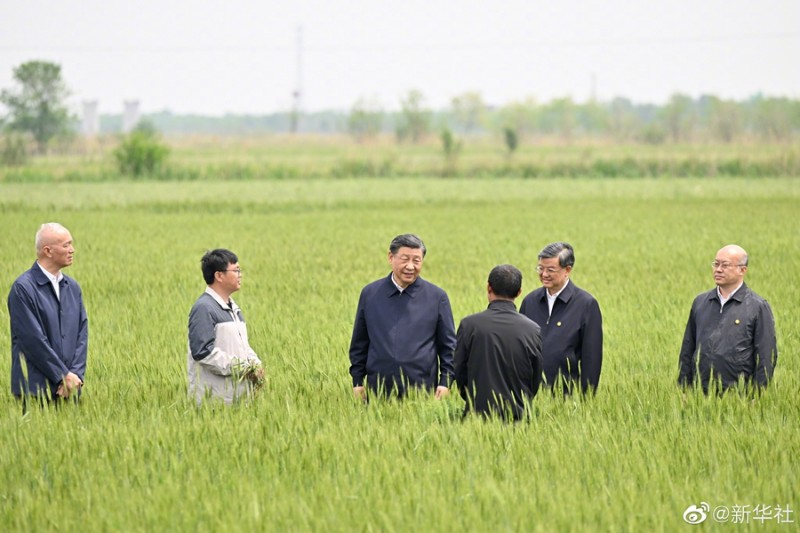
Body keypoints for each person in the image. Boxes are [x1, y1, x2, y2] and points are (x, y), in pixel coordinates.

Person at [349, 234, 456, 399]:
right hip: (378, 390)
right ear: (390, 257)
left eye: (417, 261)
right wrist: (357, 381)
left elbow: (448, 346)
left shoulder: (436, 297)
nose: (410, 266)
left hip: (422, 392)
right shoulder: (370, 294)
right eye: (405, 259)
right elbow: (359, 342)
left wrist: (445, 382)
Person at [678, 244, 777, 394]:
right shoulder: (701, 302)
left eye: (725, 265)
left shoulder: (757, 307)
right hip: (700, 394)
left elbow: (766, 357)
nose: (718, 269)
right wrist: (684, 389)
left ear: (742, 270)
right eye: (716, 264)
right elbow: (687, 348)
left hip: (738, 395)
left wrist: (757, 396)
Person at [8, 223, 88, 406]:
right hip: (34, 391)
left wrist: (74, 377)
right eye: (66, 245)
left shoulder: (72, 288)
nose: (72, 250)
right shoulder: (23, 288)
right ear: (48, 251)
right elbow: (32, 340)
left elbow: (81, 335)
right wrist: (62, 376)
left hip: (70, 389)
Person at [454, 264, 542, 421]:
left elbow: (459, 372)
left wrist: (473, 397)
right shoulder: (532, 329)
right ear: (519, 292)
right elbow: (534, 378)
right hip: (519, 418)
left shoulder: (469, 325)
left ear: (489, 287)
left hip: (476, 416)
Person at [519, 242, 603, 395]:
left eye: (550, 270)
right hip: (529, 395)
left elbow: (591, 359)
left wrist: (587, 400)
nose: (544, 274)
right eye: (540, 268)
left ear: (567, 270)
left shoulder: (586, 304)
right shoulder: (529, 302)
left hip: (566, 396)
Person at [187, 249, 263, 405]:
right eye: (236, 270)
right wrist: (245, 368)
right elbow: (203, 353)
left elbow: (243, 347)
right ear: (219, 275)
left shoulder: (234, 308)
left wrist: (256, 365)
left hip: (238, 400)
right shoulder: (204, 308)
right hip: (214, 402)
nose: (240, 274)